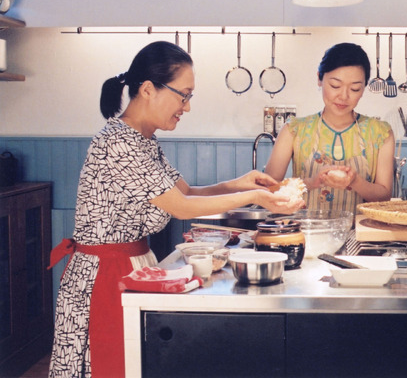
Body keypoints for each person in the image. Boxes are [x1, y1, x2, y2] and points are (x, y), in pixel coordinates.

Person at [48, 41, 303, 378]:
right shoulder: (117, 143)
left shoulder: (143, 140)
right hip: (104, 277)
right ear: (147, 90)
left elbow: (186, 192)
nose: (187, 107)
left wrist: (241, 184)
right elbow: (182, 207)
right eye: (183, 95)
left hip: (131, 265)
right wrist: (255, 197)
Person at [264, 42, 395, 216]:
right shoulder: (294, 130)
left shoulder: (380, 133)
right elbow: (269, 189)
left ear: (363, 89)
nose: (344, 96)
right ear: (319, 78)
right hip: (306, 230)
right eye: (335, 86)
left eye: (355, 88)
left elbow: (384, 196)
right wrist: (312, 182)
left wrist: (355, 181)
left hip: (360, 232)